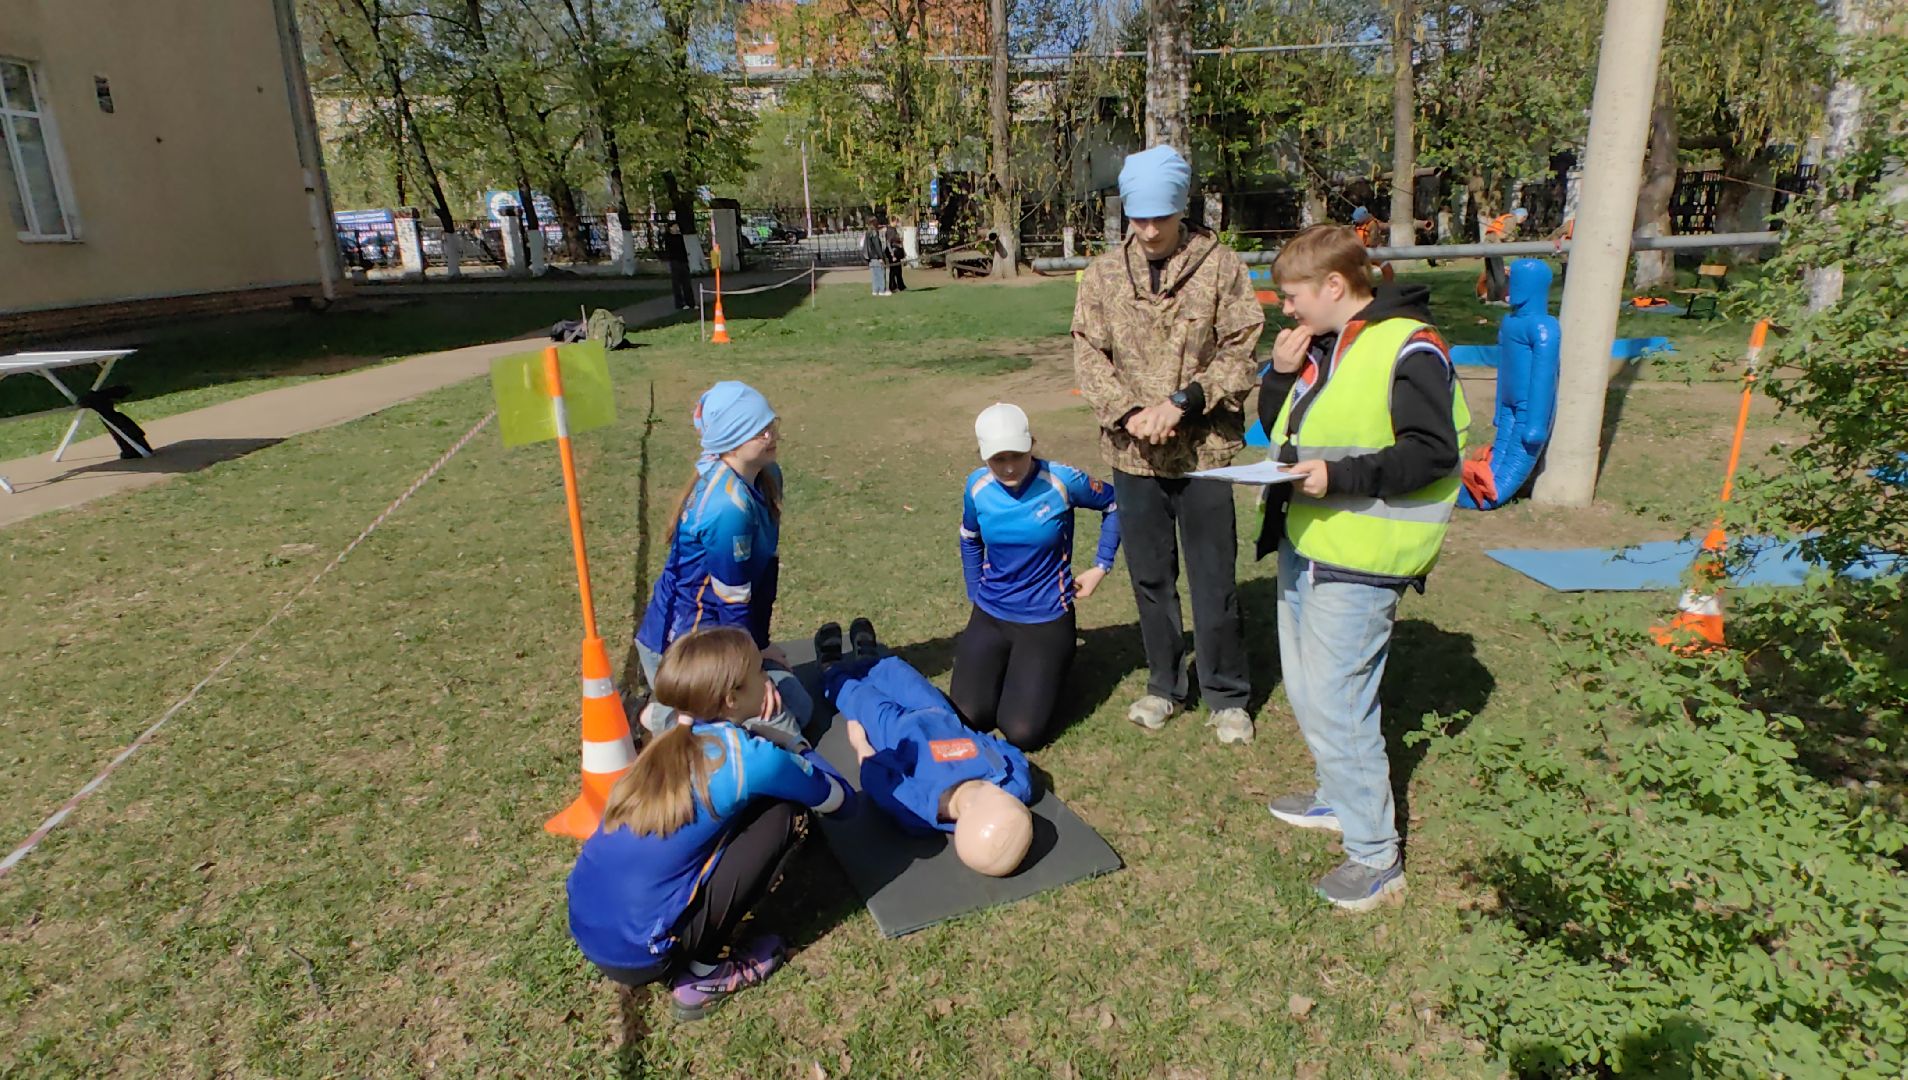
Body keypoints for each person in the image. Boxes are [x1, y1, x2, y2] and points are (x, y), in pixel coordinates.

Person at [1254, 224, 1470, 911]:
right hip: (1310, 540)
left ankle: (1376, 856)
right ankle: (1336, 797)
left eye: (1293, 296)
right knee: (1309, 690)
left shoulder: (1410, 347)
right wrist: (1279, 375)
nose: (1286, 309)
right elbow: (1282, 431)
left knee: (1340, 701)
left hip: (1364, 553)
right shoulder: (1323, 344)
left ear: (1334, 285)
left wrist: (1341, 477)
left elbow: (1432, 452)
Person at [1071, 144, 1263, 745]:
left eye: (1161, 217)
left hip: (1203, 454)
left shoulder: (1221, 267)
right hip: (1133, 455)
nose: (1150, 230)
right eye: (1139, 217)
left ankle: (1226, 695)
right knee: (1150, 578)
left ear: (1183, 208)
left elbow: (1242, 347)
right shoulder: (1103, 275)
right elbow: (1087, 351)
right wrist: (1131, 414)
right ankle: (1163, 685)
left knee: (1214, 579)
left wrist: (1183, 403)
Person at [566, 627, 857, 1021]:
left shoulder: (667, 742)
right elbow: (841, 801)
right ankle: (702, 976)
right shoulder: (749, 759)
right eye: (759, 671)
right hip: (640, 954)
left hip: (589, 924)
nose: (767, 679)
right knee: (783, 815)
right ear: (732, 698)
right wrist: (793, 742)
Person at [635, 381, 812, 746]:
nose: (770, 434)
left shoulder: (768, 476)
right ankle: (662, 715)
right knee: (785, 729)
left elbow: (764, 575)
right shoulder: (727, 508)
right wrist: (752, 673)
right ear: (730, 440)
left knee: (799, 706)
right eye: (757, 430)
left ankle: (680, 712)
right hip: (686, 648)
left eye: (770, 423)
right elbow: (734, 603)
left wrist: (760, 645)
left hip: (723, 634)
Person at [949, 403, 1121, 750]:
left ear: (1032, 445)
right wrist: (975, 593)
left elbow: (1115, 504)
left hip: (1046, 618)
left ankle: (1051, 670)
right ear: (984, 456)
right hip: (991, 613)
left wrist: (1101, 566)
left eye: (1017, 455)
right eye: (998, 459)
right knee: (968, 715)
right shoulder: (977, 486)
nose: (1009, 467)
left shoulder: (1062, 481)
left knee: (1022, 732)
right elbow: (969, 538)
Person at [817, 619, 1036, 877]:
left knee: (858, 697)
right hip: (936, 712)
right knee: (899, 673)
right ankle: (869, 660)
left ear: (964, 817)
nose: (997, 791)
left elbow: (877, 779)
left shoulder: (920, 809)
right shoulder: (1013, 785)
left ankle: (831, 670)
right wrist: (976, 737)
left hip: (894, 730)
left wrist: (861, 744)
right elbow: (1010, 755)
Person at [1476, 206, 1528, 303]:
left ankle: (1491, 298)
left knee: (1490, 274)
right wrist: (1514, 241)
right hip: (1496, 246)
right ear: (1522, 216)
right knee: (1499, 274)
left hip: (1488, 244)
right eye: (1524, 218)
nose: (1523, 221)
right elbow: (1504, 236)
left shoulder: (1505, 218)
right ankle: (1501, 297)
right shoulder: (1512, 220)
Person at [663, 220, 694, 310]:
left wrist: (686, 259)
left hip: (683, 261)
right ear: (670, 228)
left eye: (677, 226)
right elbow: (669, 250)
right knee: (677, 284)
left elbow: (683, 249)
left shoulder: (680, 237)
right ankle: (680, 304)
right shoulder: (668, 238)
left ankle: (690, 303)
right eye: (675, 226)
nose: (677, 228)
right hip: (675, 262)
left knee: (687, 283)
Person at [863, 219, 890, 297]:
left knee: (874, 275)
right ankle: (882, 290)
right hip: (876, 257)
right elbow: (877, 246)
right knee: (881, 274)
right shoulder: (874, 233)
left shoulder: (868, 233)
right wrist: (881, 257)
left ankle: (875, 290)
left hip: (870, 257)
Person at [884, 221, 908, 293]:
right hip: (893, 253)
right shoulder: (890, 231)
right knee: (893, 271)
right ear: (893, 221)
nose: (897, 223)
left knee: (898, 270)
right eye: (896, 222)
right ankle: (892, 286)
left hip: (897, 252)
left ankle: (901, 286)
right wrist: (892, 254)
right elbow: (889, 243)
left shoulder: (894, 230)